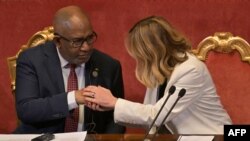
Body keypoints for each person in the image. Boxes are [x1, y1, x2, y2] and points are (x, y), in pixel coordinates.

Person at [83, 16, 232, 134]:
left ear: (151, 51)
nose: (137, 59)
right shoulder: (162, 69)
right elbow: (149, 120)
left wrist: (114, 102)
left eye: (138, 54)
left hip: (212, 136)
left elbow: (157, 115)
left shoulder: (191, 70)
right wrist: (111, 107)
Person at [14, 5, 125, 134]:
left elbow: (116, 118)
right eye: (77, 42)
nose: (86, 47)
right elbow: (26, 110)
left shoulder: (108, 65)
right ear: (58, 41)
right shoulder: (31, 60)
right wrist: (73, 98)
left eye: (90, 38)